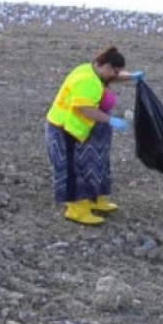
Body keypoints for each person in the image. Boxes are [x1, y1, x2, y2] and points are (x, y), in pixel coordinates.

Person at [44, 46, 144, 225]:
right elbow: (85, 108)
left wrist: (130, 77)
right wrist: (109, 119)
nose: (116, 75)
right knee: (72, 168)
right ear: (105, 66)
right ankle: (76, 209)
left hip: (82, 129)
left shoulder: (93, 70)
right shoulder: (86, 80)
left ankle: (96, 200)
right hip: (64, 128)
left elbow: (112, 76)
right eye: (115, 71)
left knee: (95, 163)